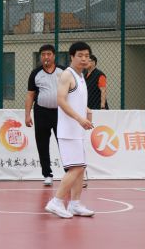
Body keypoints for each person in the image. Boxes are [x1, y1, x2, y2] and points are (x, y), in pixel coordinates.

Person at [45, 41, 95, 219]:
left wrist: (86, 110)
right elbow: (61, 100)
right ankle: (56, 201)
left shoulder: (81, 76)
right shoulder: (67, 75)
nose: (84, 59)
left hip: (77, 132)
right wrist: (80, 118)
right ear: (72, 57)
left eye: (87, 56)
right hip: (69, 131)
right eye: (80, 55)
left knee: (80, 167)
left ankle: (75, 204)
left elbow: (75, 100)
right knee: (76, 168)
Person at [25, 44, 65, 186]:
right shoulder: (35, 73)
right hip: (41, 112)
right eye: (43, 55)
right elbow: (30, 95)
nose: (46, 57)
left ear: (54, 56)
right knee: (42, 144)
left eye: (48, 54)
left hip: (60, 113)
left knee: (64, 143)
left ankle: (70, 173)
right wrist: (27, 114)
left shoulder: (63, 71)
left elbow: (72, 91)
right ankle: (47, 174)